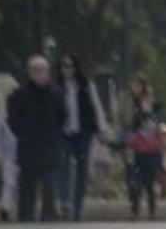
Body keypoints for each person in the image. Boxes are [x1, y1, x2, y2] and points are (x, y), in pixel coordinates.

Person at [8, 55, 64, 222]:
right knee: (27, 193)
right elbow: (13, 120)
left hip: (49, 149)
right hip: (28, 149)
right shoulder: (19, 95)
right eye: (36, 71)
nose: (40, 74)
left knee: (49, 191)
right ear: (30, 73)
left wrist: (53, 136)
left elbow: (62, 117)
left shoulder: (56, 94)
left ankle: (48, 222)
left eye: (43, 70)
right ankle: (26, 222)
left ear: (48, 73)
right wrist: (24, 135)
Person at [56, 54, 106, 221]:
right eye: (64, 66)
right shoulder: (57, 87)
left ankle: (78, 205)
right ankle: (65, 202)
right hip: (64, 133)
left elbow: (96, 107)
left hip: (83, 133)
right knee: (64, 166)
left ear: (76, 68)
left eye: (70, 66)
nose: (67, 69)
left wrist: (101, 129)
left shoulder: (85, 86)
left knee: (82, 169)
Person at [0, 75, 19, 221]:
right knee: (9, 183)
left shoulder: (22, 111)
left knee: (16, 184)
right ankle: (6, 209)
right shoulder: (1, 117)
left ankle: (15, 210)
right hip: (8, 155)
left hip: (22, 154)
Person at [126, 114, 162, 219]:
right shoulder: (137, 136)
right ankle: (135, 211)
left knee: (151, 189)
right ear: (143, 124)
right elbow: (130, 149)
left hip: (151, 167)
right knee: (136, 189)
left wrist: (159, 168)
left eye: (152, 122)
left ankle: (152, 211)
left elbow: (158, 154)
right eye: (148, 122)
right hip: (139, 165)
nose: (150, 125)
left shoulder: (155, 139)